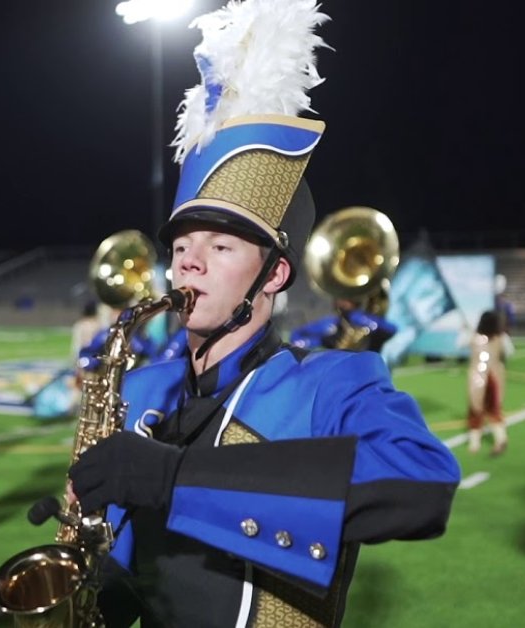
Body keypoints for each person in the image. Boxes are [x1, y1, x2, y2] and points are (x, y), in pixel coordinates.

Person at [64, 3, 461, 625]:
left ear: (274, 274)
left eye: (220, 247)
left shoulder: (332, 381)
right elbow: (130, 572)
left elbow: (425, 485)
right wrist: (87, 578)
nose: (188, 264)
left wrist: (172, 478)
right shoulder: (140, 389)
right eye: (181, 247)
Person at [466, 310, 514, 455]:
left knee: (475, 409)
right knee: (494, 408)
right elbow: (510, 352)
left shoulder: (474, 337)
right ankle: (501, 437)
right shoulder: (502, 337)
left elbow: (459, 344)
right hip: (494, 375)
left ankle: (474, 444)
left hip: (478, 377)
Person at [289, 296, 398, 352]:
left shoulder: (363, 319)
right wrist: (320, 341)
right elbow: (296, 337)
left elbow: (391, 330)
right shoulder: (329, 323)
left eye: (349, 298)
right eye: (341, 297)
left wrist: (357, 317)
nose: (344, 302)